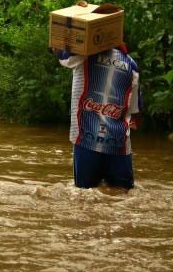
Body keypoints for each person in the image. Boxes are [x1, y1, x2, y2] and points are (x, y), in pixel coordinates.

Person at [56, 43, 142, 190]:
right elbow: (135, 109)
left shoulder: (82, 54)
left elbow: (62, 56)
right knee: (123, 194)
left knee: (84, 195)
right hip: (118, 144)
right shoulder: (132, 65)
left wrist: (56, 46)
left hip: (85, 141)